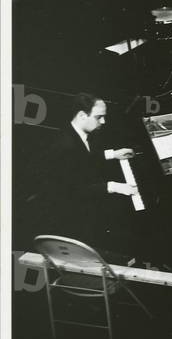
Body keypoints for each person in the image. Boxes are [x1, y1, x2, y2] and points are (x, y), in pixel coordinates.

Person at [43, 92, 138, 245]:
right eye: (99, 117)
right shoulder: (65, 147)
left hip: (80, 190)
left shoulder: (75, 132)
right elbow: (73, 190)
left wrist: (113, 154)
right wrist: (114, 186)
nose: (103, 121)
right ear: (82, 116)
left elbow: (84, 157)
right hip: (70, 211)